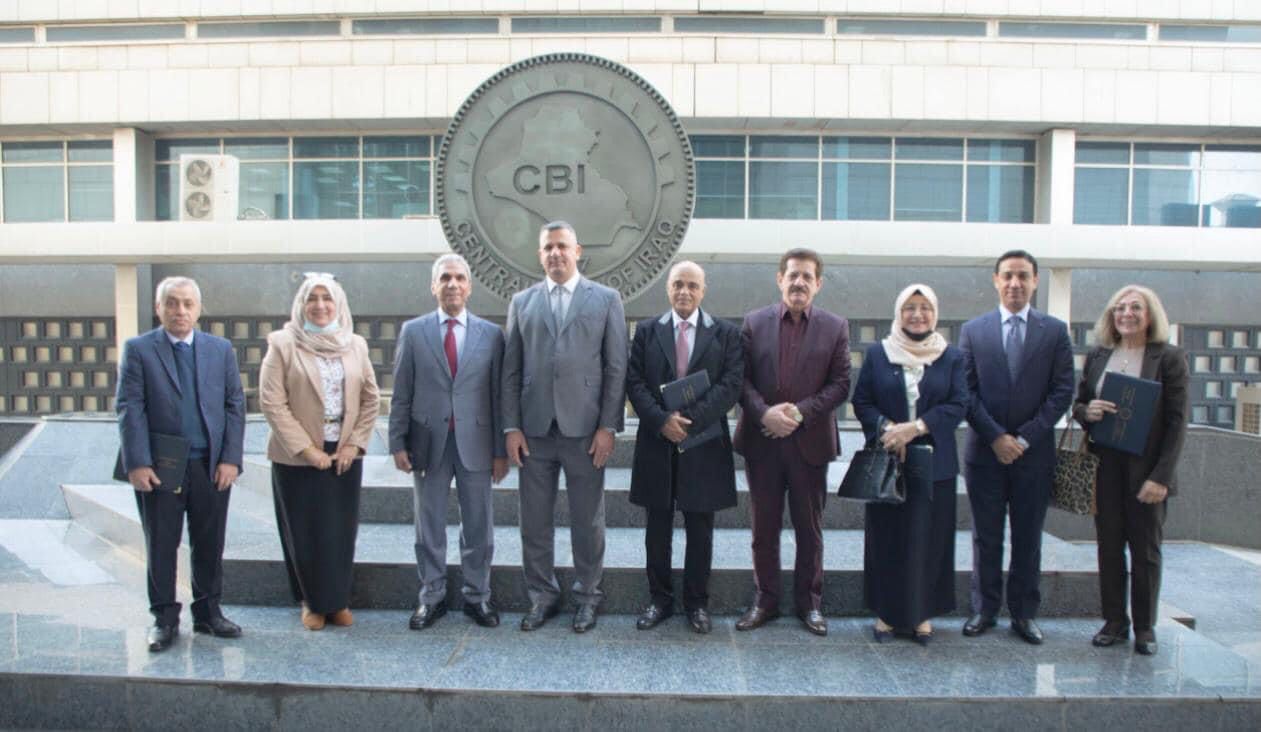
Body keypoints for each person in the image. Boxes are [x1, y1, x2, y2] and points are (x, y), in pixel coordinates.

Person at [502, 220, 628, 633]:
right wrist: (511, 427)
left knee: (587, 521)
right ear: (540, 255)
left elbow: (616, 367)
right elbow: (511, 370)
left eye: (562, 246)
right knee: (534, 521)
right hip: (534, 431)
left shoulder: (606, 299)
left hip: (586, 431)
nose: (555, 253)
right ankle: (542, 597)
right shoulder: (522, 302)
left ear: (578, 251)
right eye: (548, 247)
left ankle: (588, 597)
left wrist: (608, 426)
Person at [116, 276, 245, 652]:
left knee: (209, 542)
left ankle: (208, 613)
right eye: (171, 303)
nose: (180, 311)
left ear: (198, 309)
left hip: (210, 465)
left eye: (188, 303)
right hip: (161, 467)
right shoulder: (139, 349)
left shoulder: (220, 350)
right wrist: (137, 462)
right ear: (158, 308)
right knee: (161, 544)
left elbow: (235, 405)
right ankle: (164, 619)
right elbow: (130, 407)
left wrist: (230, 459)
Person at [733, 248, 851, 636]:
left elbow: (841, 384)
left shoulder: (835, 327)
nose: (799, 282)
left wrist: (798, 413)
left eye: (807, 277)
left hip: (809, 443)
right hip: (763, 442)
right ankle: (764, 601)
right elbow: (739, 378)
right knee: (763, 530)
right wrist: (765, 413)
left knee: (809, 531)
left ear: (818, 284)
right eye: (793, 275)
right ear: (779, 279)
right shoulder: (753, 322)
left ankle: (809, 604)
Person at [958, 250, 1074, 645]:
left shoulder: (1054, 332)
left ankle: (1024, 614)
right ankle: (984, 609)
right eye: (1007, 275)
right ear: (996, 280)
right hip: (984, 453)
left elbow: (1062, 392)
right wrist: (996, 437)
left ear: (1035, 281)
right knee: (986, 536)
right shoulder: (974, 331)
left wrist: (1023, 438)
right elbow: (965, 391)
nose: (1015, 283)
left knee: (1028, 537)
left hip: (1033, 455)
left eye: (1023, 276)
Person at [390, 253, 508, 631]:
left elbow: (499, 396)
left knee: (479, 525)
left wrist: (501, 451)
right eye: (445, 278)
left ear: (469, 287)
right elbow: (401, 392)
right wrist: (397, 442)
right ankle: (432, 596)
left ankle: (477, 595)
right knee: (429, 526)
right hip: (428, 445)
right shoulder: (414, 332)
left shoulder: (492, 335)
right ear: (433, 286)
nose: (452, 284)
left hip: (477, 443)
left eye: (459, 278)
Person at [626, 261, 743, 634]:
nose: (684, 291)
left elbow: (731, 385)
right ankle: (659, 600)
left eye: (692, 285)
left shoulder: (725, 333)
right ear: (668, 288)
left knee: (700, 528)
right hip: (657, 442)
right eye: (678, 284)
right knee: (657, 528)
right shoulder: (647, 331)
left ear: (703, 290)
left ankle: (697, 603)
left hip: (704, 443)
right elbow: (634, 382)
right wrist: (662, 421)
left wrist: (688, 421)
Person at [258, 274, 379, 631]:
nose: (321, 305)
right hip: (297, 455)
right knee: (304, 531)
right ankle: (311, 602)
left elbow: (371, 398)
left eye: (327, 298)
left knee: (339, 531)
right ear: (302, 304)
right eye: (313, 298)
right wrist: (307, 449)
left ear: (338, 303)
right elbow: (272, 402)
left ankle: (336, 601)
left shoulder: (355, 344)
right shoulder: (282, 344)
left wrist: (354, 444)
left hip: (343, 453)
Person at [1073, 285, 1188, 656]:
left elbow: (1177, 422)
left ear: (1150, 315)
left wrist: (1161, 477)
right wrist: (1087, 412)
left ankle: (1144, 627)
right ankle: (1114, 622)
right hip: (1104, 466)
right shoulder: (1099, 354)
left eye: (1136, 307)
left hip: (1147, 470)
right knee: (1108, 547)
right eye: (1119, 308)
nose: (1126, 314)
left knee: (1145, 550)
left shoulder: (1168, 358)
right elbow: (1079, 403)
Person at [851, 284, 968, 645]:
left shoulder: (952, 357)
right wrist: (888, 429)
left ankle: (922, 615)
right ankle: (887, 614)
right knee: (888, 537)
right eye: (909, 308)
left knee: (930, 538)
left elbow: (959, 404)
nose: (917, 315)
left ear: (935, 313)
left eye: (925, 308)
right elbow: (862, 401)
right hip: (890, 459)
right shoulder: (878, 354)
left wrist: (916, 428)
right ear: (898, 313)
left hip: (935, 462)